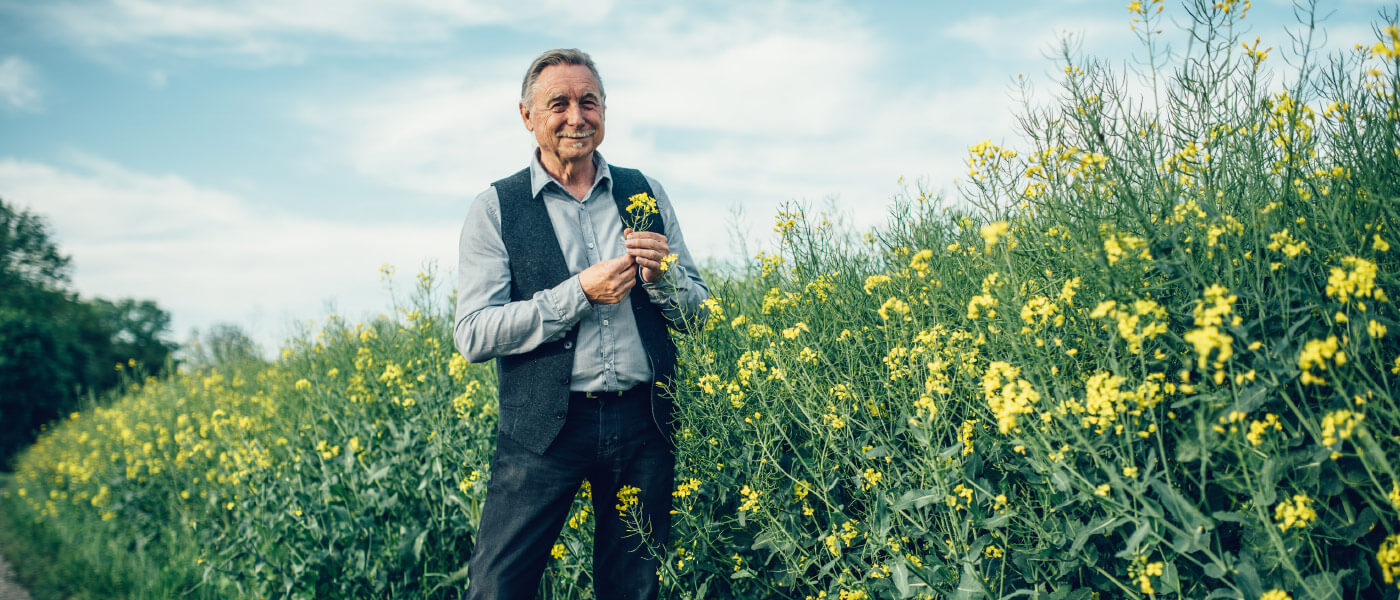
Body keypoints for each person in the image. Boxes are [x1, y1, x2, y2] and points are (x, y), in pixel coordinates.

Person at [453, 48, 710, 600]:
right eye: (559, 104)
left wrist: (663, 279)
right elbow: (473, 333)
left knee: (633, 586)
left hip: (643, 422)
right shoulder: (495, 208)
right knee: (497, 587)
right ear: (527, 117)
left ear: (604, 111)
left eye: (588, 102)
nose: (576, 116)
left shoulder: (644, 191)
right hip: (544, 428)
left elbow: (699, 315)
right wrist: (578, 295)